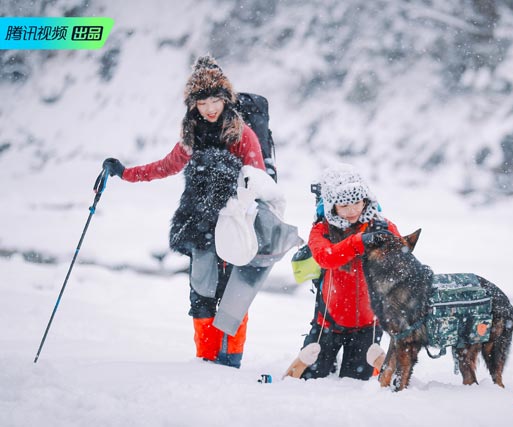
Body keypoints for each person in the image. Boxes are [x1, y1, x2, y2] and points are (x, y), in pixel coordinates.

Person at [102, 55, 266, 368]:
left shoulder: (242, 135)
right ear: (193, 105)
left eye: (215, 99)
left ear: (225, 98)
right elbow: (165, 166)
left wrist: (237, 207)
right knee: (202, 294)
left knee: (233, 297)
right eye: (202, 101)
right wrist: (125, 173)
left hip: (234, 227)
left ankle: (230, 360)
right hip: (200, 225)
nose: (210, 108)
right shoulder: (192, 137)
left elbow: (258, 180)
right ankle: (205, 360)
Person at [299, 164, 402, 380]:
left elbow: (402, 259)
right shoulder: (321, 229)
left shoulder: (381, 225)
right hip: (328, 322)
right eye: (344, 205)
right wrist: (358, 242)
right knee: (311, 379)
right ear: (331, 206)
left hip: (368, 325)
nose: (353, 210)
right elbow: (325, 257)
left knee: (355, 385)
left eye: (357, 202)